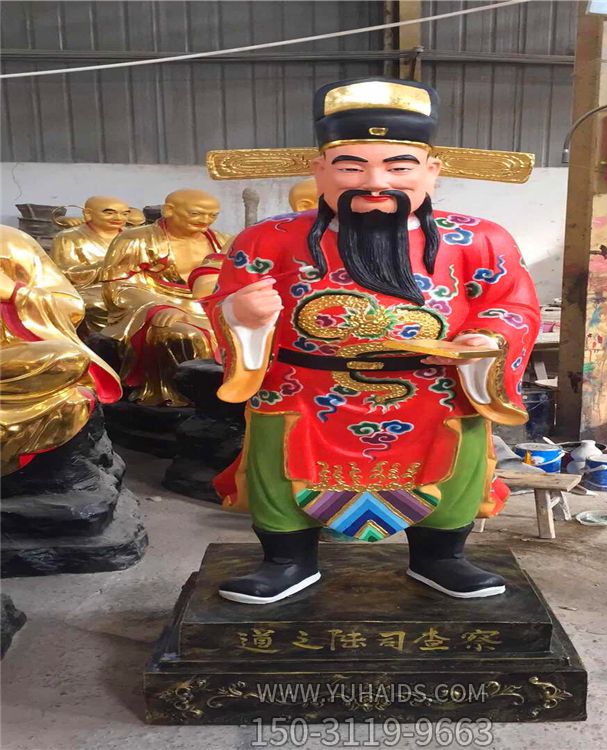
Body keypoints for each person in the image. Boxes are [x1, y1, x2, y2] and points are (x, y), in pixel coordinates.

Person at [203, 78, 540, 604]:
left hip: (436, 386)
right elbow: (223, 299)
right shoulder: (269, 238)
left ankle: (441, 557)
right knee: (281, 465)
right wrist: (239, 313)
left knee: (453, 464)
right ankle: (287, 560)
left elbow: (513, 303)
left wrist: (490, 336)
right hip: (303, 387)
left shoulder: (479, 238)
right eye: (351, 167)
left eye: (399, 167)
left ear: (432, 170)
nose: (376, 182)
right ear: (319, 170)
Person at [0, 226, 121, 476]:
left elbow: (70, 305)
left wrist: (16, 294)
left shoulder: (12, 241)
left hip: (10, 357)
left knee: (69, 359)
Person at [99, 189, 230, 406]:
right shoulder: (134, 239)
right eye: (196, 214)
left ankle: (233, 394)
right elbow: (116, 285)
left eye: (212, 215)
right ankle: (184, 397)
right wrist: (158, 307)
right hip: (156, 302)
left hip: (209, 305)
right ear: (169, 210)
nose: (205, 220)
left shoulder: (223, 240)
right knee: (183, 335)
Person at [50, 196, 132, 332]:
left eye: (124, 214)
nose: (118, 218)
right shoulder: (68, 237)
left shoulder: (133, 237)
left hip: (133, 287)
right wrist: (105, 268)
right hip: (91, 288)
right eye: (109, 213)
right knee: (98, 305)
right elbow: (62, 273)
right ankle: (101, 341)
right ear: (88, 213)